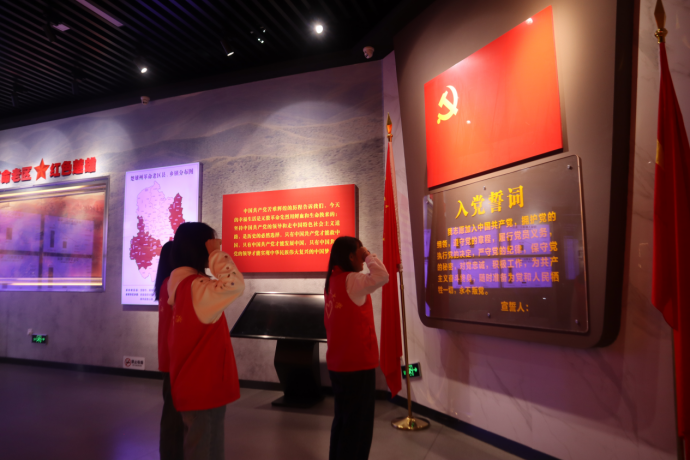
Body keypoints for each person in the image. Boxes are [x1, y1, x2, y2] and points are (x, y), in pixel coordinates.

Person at [167, 222, 245, 460]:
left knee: (197, 446)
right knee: (206, 450)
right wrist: (216, 255)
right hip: (205, 387)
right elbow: (234, 284)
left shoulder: (179, 284)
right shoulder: (197, 288)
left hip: (188, 384)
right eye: (210, 243)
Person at [324, 236, 389, 460]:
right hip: (357, 365)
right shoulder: (352, 280)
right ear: (351, 256)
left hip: (338, 364)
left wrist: (364, 253)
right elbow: (382, 276)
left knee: (343, 421)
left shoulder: (332, 281)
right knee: (358, 427)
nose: (362, 258)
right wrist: (369, 255)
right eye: (359, 253)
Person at [155, 241, 184, 460]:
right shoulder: (173, 284)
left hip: (168, 356)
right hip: (174, 357)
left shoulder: (165, 283)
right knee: (174, 415)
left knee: (172, 411)